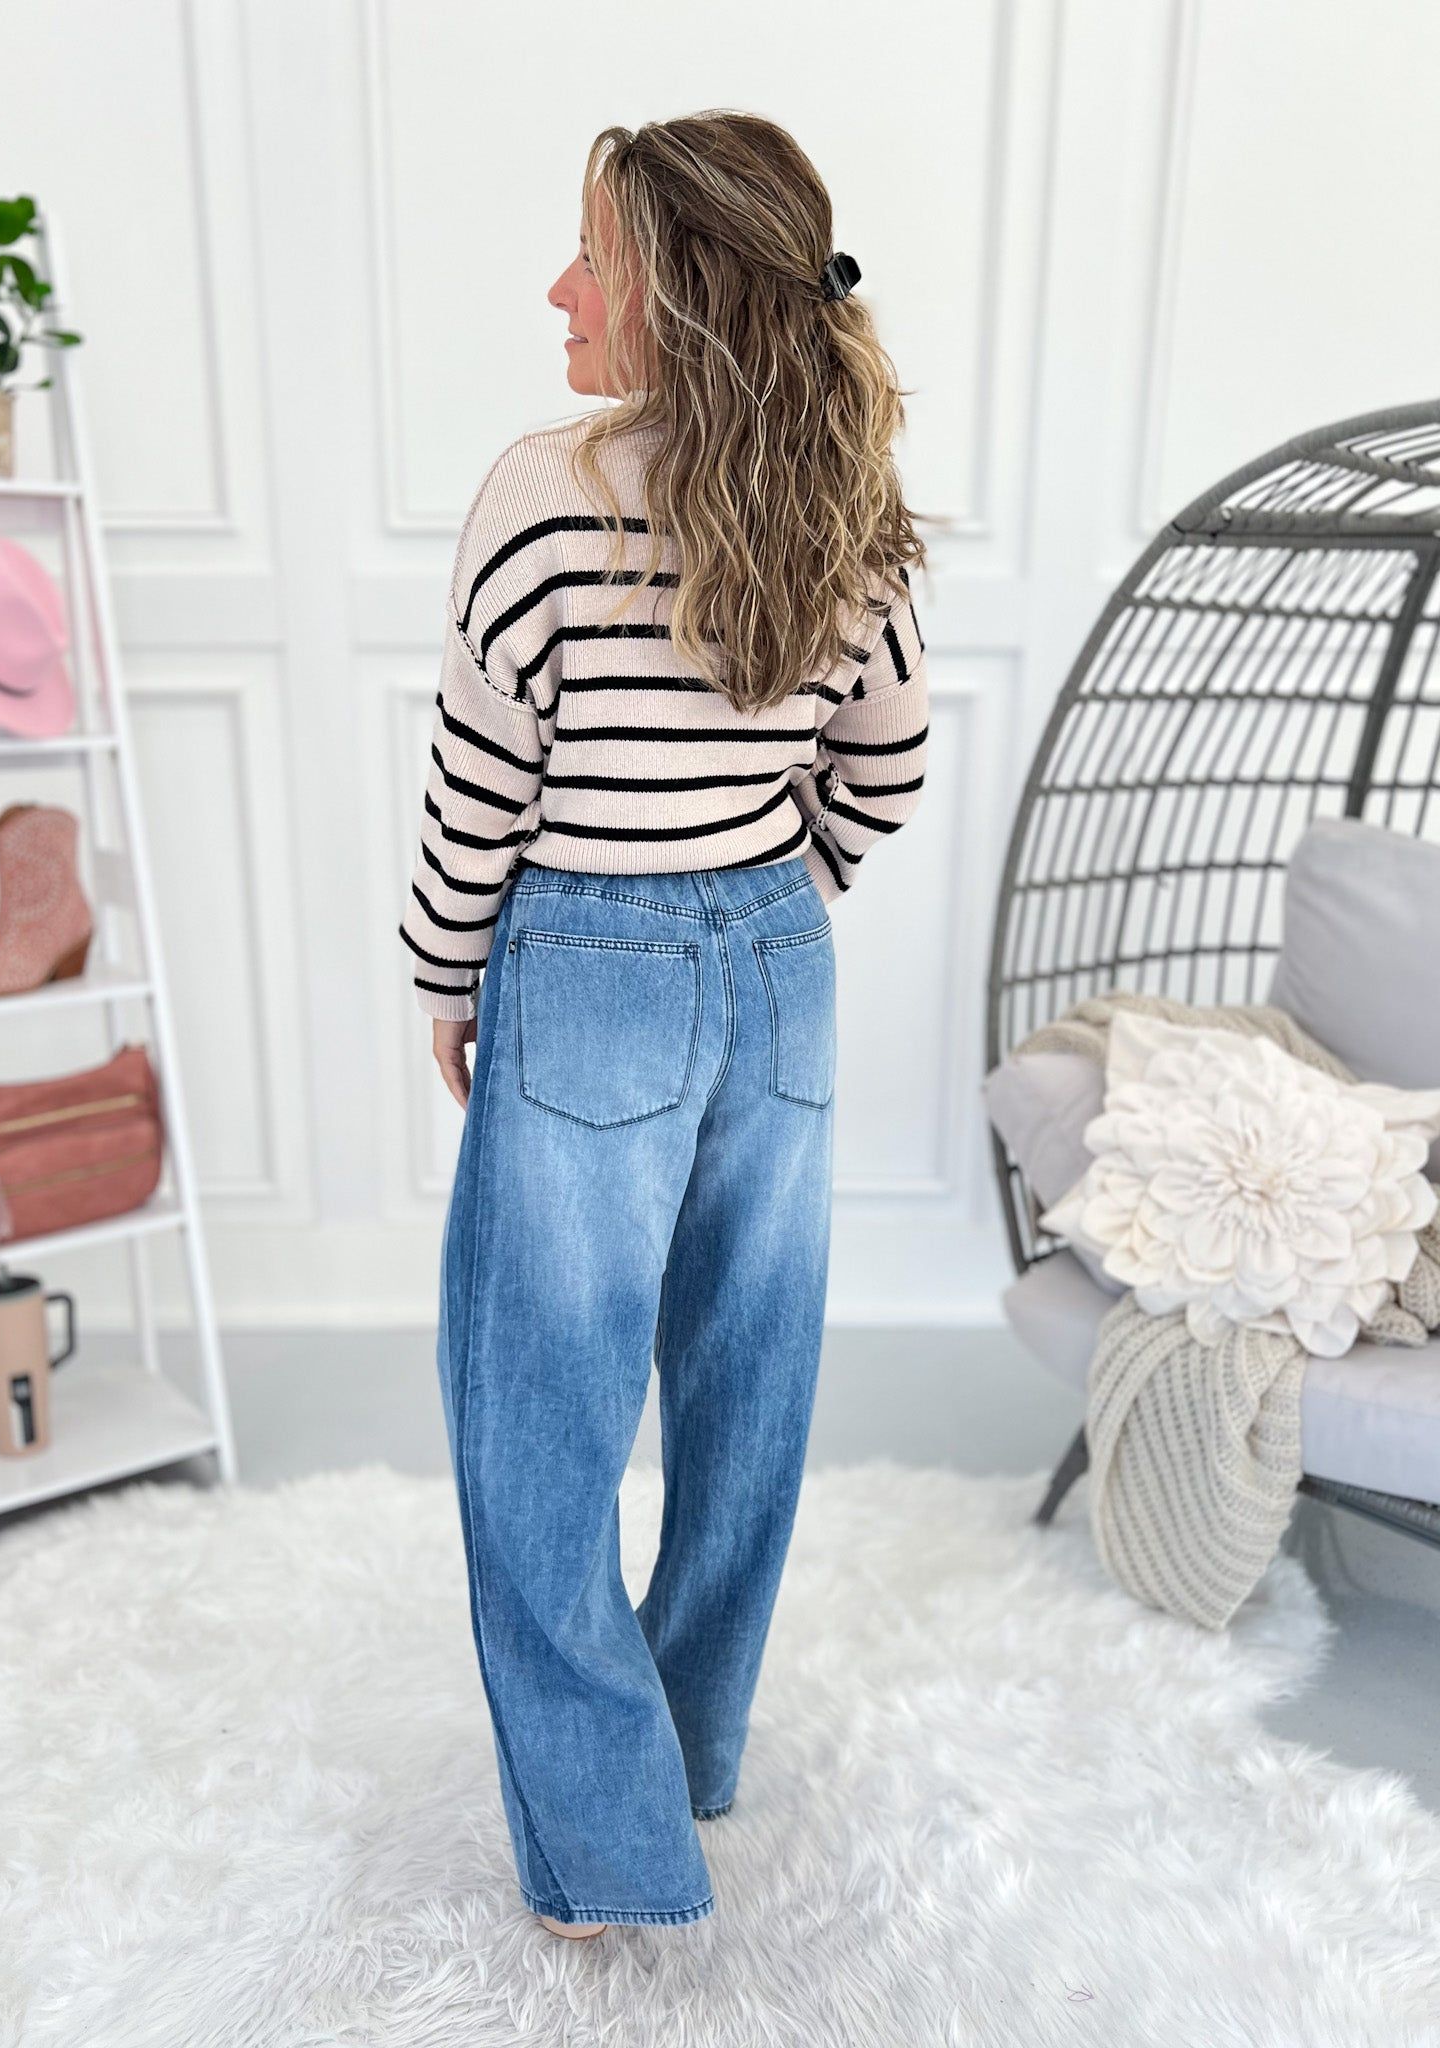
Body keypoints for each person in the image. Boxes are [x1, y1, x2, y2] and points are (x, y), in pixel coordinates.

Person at [397, 109, 931, 1939]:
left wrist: (447, 975)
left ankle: (612, 1864)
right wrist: (765, 903)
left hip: (585, 974)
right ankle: (688, 1753)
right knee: (742, 1384)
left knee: (537, 1417)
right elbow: (884, 770)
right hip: (777, 967)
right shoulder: (848, 497)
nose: (560, 290)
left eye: (593, 258)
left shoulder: (546, 492)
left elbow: (482, 788)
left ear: (676, 288)